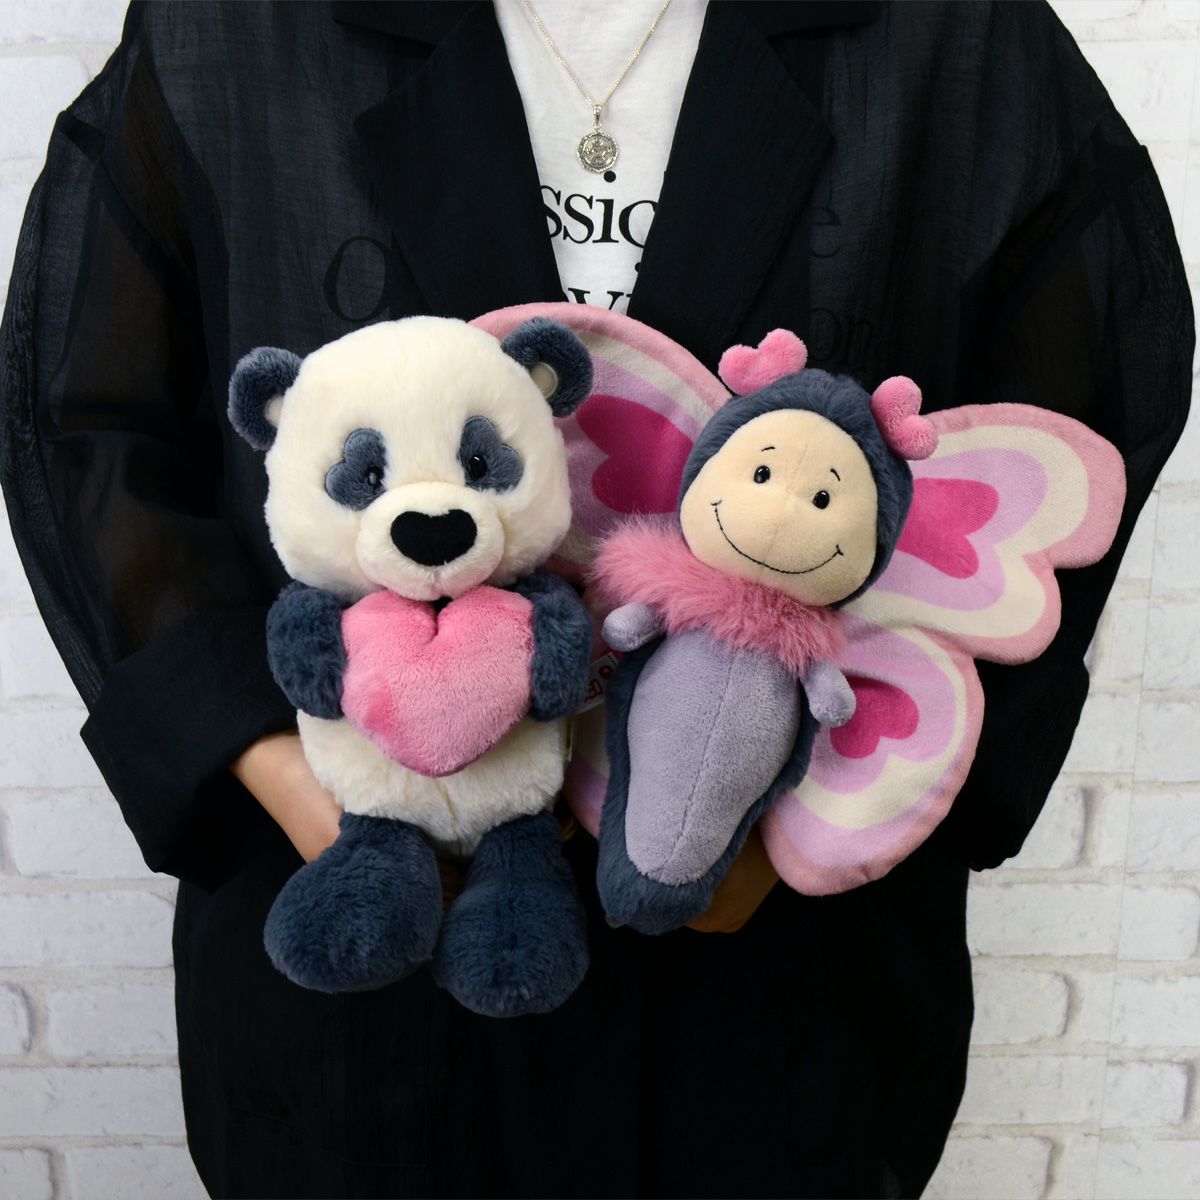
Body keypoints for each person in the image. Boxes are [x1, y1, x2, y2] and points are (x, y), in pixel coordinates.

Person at [0, 1, 1191, 1197]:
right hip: (373, 992)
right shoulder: (236, 30)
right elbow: (90, 421)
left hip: (774, 1004)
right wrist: (293, 771)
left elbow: (1085, 402)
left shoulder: (956, 40)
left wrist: (810, 809)